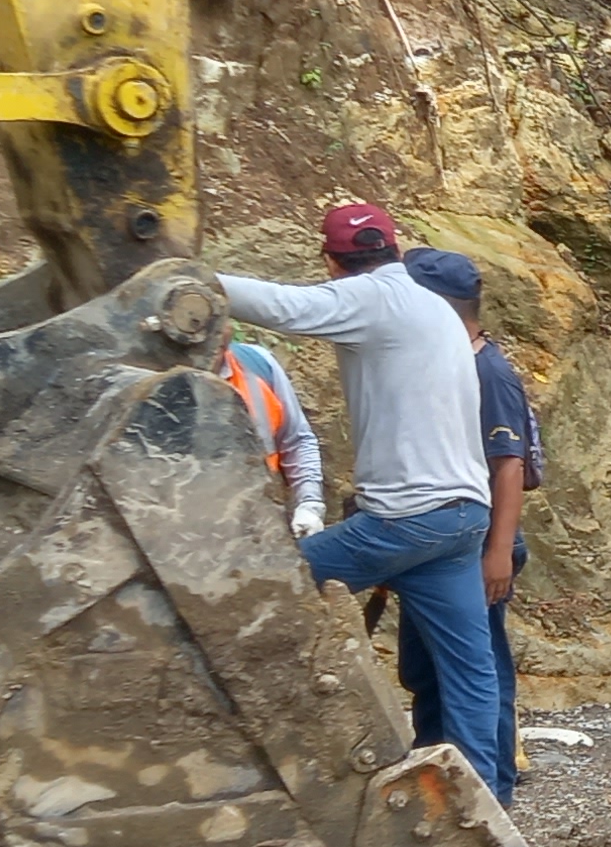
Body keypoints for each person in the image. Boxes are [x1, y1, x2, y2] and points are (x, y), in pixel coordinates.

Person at [213, 199, 503, 783]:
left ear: (331, 261)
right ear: (395, 248)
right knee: (470, 671)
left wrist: (186, 276)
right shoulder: (434, 306)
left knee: (259, 588)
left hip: (404, 520)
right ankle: (488, 801)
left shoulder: (371, 297)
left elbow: (283, 307)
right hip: (464, 517)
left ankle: (242, 753)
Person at [405, 247, 535, 798]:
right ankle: (435, 775)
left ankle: (492, 786)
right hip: (445, 542)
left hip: (480, 545)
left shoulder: (488, 372)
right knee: (428, 670)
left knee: (479, 672)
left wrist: (498, 553)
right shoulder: (450, 362)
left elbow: (510, 466)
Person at [221, 336, 324, 540]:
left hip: (257, 520)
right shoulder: (156, 381)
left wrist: (309, 503)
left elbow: (296, 441)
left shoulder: (256, 364)